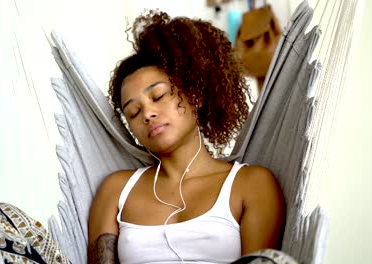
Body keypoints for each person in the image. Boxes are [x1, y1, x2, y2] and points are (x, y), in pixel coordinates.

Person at [87, 10, 286, 264]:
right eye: (133, 112)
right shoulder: (116, 190)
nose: (147, 113)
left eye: (158, 96)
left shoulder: (251, 185)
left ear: (195, 95)